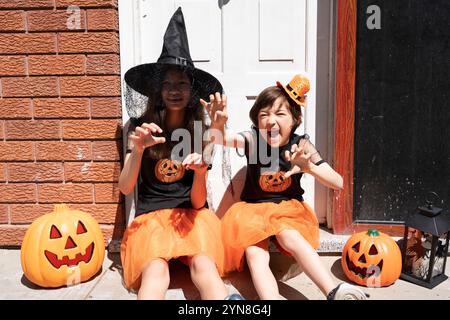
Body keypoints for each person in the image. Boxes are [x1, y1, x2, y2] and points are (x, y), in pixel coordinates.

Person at [202, 74, 368, 300]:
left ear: (295, 119)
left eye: (280, 114)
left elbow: (337, 182)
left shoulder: (301, 144)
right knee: (254, 253)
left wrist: (310, 167)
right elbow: (222, 139)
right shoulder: (253, 140)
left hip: (287, 211)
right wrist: (218, 125)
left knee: (289, 236)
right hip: (251, 213)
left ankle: (334, 291)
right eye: (264, 115)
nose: (271, 120)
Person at [119, 8, 236, 300]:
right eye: (167, 84)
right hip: (151, 221)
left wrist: (204, 163)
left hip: (190, 218)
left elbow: (198, 202)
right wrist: (138, 150)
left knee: (203, 264)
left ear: (192, 90)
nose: (174, 90)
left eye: (181, 83)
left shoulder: (200, 130)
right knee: (156, 270)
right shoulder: (140, 127)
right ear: (157, 90)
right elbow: (125, 187)